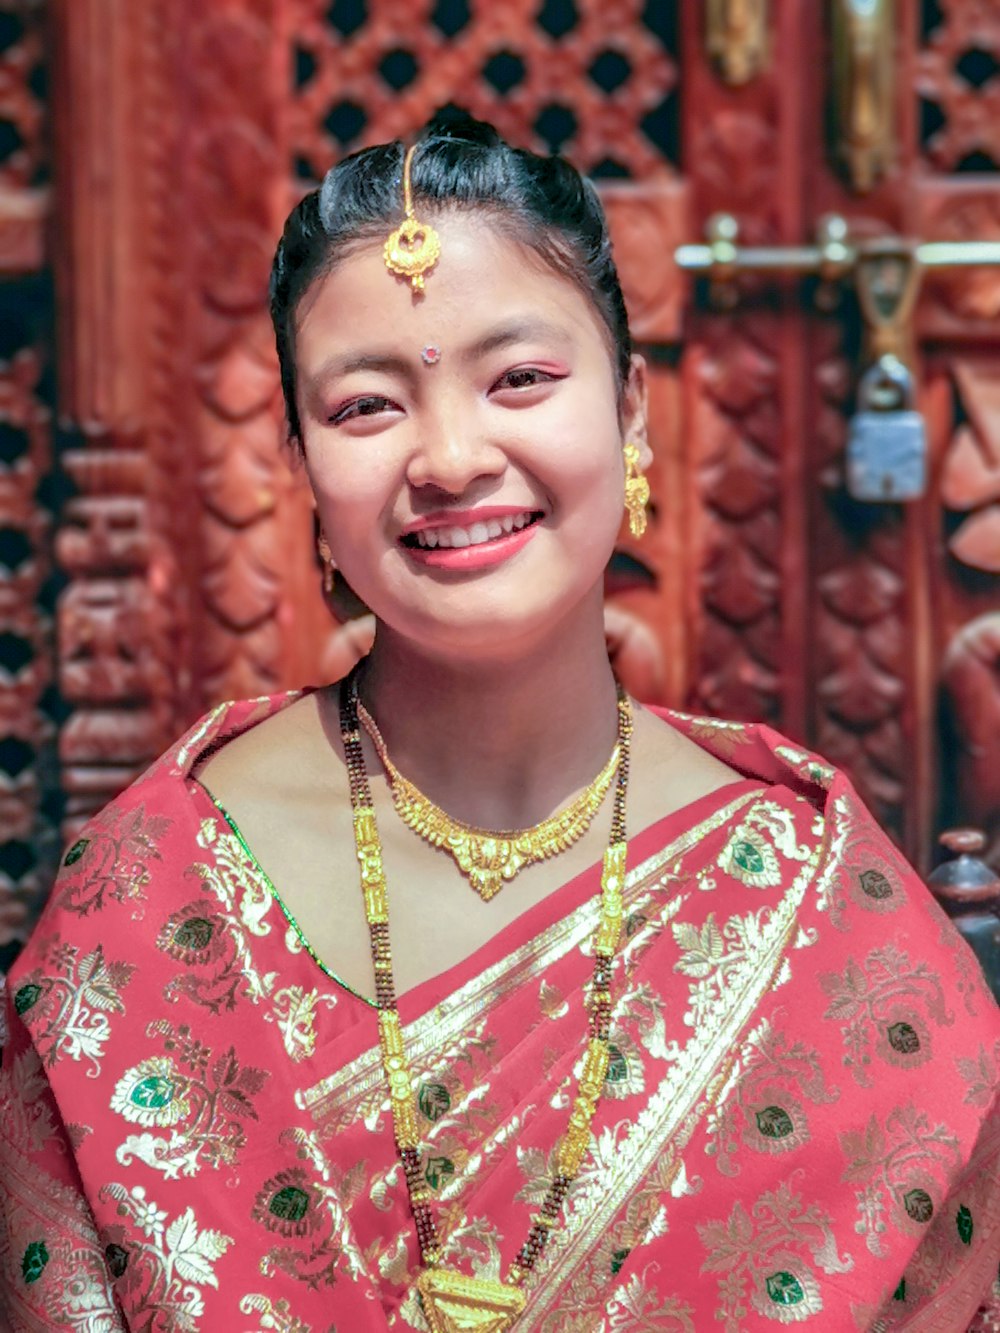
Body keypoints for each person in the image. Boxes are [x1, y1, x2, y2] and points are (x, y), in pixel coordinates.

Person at [1, 112, 997, 1333]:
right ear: (302, 463)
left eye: (519, 378)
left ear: (631, 410)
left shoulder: (813, 899)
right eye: (368, 406)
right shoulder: (154, 893)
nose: (452, 456)